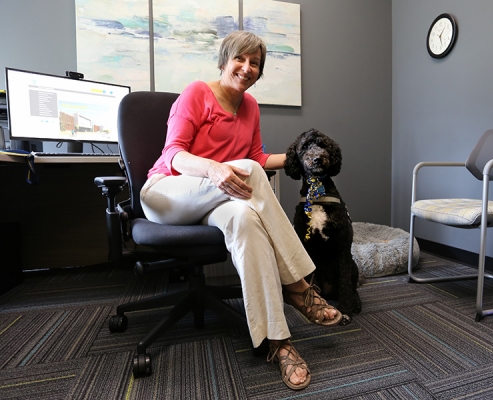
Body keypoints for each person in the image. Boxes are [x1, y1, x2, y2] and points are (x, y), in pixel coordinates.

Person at [139, 30, 342, 391]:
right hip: (168, 193)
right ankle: (299, 287)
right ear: (224, 60)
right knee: (247, 170)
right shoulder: (197, 93)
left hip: (215, 200)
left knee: (246, 218)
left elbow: (260, 158)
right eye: (240, 59)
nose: (247, 68)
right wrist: (215, 168)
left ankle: (279, 344)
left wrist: (306, 159)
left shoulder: (250, 107)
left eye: (255, 64)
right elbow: (173, 155)